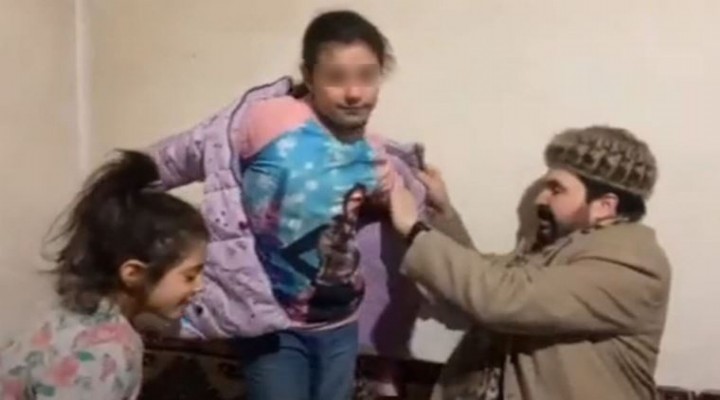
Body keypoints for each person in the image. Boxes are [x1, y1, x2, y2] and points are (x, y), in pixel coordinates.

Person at [149, 9, 417, 400]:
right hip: (270, 321)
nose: (354, 93)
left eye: (367, 76)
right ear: (310, 76)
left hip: (341, 321)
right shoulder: (267, 121)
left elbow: (396, 191)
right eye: (336, 77)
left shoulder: (371, 153)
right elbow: (186, 154)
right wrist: (127, 183)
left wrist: (421, 204)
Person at [387, 126, 671, 400]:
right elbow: (482, 280)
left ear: (604, 206)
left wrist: (414, 230)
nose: (540, 199)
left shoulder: (633, 264)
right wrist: (441, 211)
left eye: (556, 189)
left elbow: (502, 298)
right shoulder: (559, 250)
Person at [0, 151, 208, 399]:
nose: (200, 286)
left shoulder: (67, 314)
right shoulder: (104, 351)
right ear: (134, 273)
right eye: (189, 276)